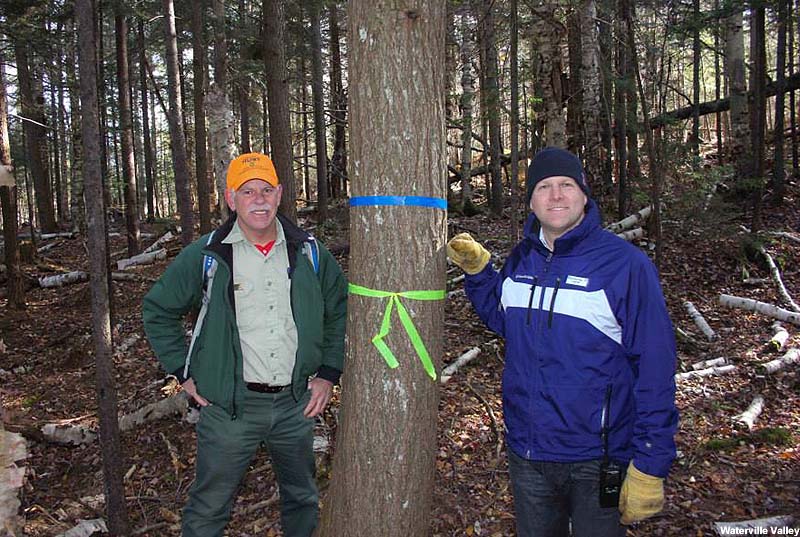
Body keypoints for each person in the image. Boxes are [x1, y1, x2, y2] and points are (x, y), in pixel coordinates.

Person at [447, 147, 678, 536]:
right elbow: (507, 321)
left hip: (597, 457)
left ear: (584, 195)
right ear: (531, 202)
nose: (556, 196)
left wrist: (651, 462)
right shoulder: (522, 260)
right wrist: (480, 272)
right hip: (528, 453)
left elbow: (655, 368)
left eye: (566, 185)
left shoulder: (625, 266)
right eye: (544, 187)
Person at [143, 152, 347, 537]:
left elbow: (337, 311)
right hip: (230, 409)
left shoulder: (310, 253)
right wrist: (183, 371)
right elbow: (158, 309)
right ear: (231, 198)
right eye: (247, 191)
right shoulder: (206, 255)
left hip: (295, 405)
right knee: (209, 508)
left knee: (302, 498)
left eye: (266, 190)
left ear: (280, 194)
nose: (259, 199)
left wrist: (328, 374)